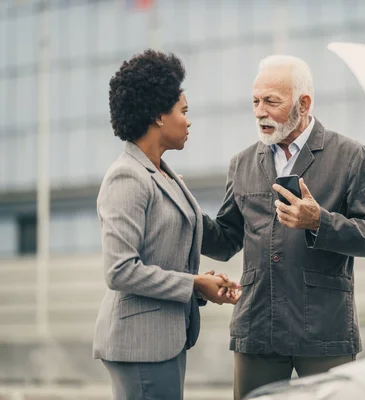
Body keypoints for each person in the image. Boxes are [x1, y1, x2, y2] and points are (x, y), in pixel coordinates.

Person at [201, 55, 365, 399]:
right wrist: (184, 213)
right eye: (256, 101)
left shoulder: (351, 156)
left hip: (324, 328)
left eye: (272, 102)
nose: (260, 111)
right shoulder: (242, 163)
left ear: (304, 104)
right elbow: (226, 240)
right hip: (256, 326)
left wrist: (320, 221)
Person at [93, 49, 241, 400]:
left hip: (166, 338)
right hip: (140, 345)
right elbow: (119, 270)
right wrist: (194, 284)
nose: (189, 121)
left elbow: (190, 240)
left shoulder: (163, 173)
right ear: (159, 116)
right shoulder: (127, 177)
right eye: (183, 111)